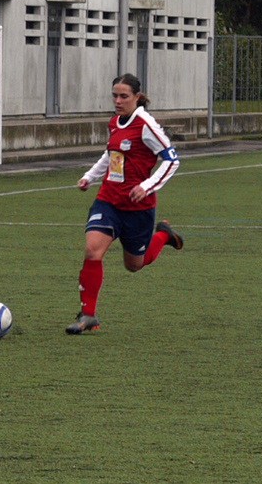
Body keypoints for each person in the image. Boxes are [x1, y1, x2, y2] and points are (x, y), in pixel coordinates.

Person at [67, 73, 183, 334]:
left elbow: (172, 160)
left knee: (134, 265)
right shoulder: (115, 123)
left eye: (124, 96)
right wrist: (89, 176)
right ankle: (88, 315)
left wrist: (146, 186)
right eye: (115, 96)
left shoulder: (146, 124)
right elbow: (111, 155)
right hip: (108, 200)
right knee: (92, 251)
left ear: (137, 98)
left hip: (138, 209)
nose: (117, 101)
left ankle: (163, 235)